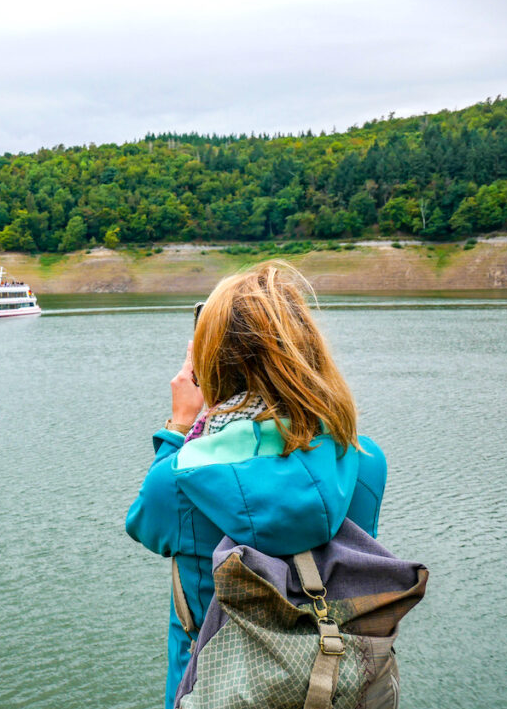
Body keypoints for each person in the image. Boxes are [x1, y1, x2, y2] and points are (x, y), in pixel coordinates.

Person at [125, 260, 387, 709]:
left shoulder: (178, 480)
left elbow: (145, 524)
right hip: (329, 686)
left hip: (213, 690)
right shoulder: (364, 460)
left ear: (208, 364)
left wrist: (179, 426)